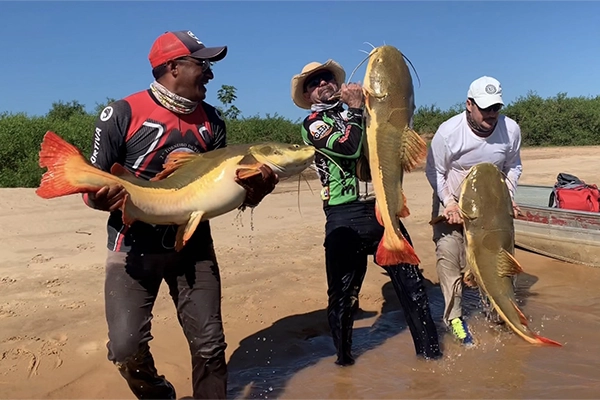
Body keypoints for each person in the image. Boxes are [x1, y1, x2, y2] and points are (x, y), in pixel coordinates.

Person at [82, 30, 278, 399]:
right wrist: (100, 198)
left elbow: (219, 195)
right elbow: (92, 193)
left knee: (210, 346)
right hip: (131, 248)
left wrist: (254, 193)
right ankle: (158, 392)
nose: (210, 73)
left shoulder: (214, 122)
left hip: (193, 246)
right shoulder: (121, 113)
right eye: (202, 64)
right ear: (173, 66)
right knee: (125, 349)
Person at [290, 59, 443, 366]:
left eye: (326, 78)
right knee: (344, 297)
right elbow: (348, 146)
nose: (323, 84)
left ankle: (431, 360)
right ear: (307, 96)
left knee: (413, 288)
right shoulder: (313, 125)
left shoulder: (365, 111)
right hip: (343, 216)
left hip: (381, 206)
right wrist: (358, 109)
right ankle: (344, 363)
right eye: (314, 82)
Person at [425, 76, 523, 346]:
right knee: (449, 257)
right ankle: (455, 318)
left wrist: (508, 196)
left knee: (501, 260)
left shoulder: (510, 129)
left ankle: (501, 313)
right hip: (455, 202)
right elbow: (435, 171)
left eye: (496, 108)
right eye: (485, 108)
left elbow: (513, 166)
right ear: (469, 105)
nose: (492, 114)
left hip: (493, 207)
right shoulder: (449, 132)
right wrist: (448, 203)